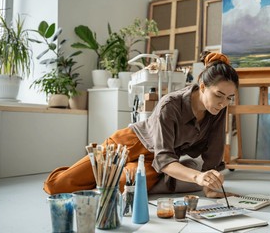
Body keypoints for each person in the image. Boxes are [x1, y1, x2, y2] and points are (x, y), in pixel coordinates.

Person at [43, 51, 239, 198]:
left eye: (230, 98)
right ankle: (83, 171)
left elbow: (212, 154)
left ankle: (102, 178)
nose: (223, 103)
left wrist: (210, 186)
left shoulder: (218, 109)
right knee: (58, 185)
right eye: (218, 95)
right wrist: (197, 177)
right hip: (127, 145)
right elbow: (166, 159)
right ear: (203, 87)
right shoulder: (171, 105)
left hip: (153, 161)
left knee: (118, 189)